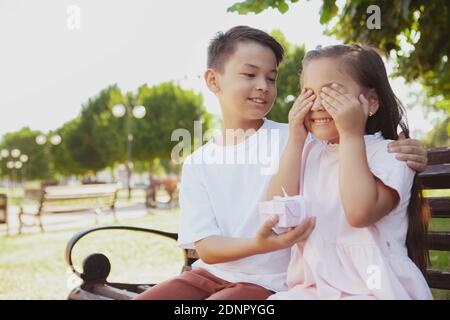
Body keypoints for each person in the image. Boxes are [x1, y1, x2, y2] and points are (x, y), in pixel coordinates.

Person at [133, 27, 428, 300]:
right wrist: (263, 243)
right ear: (213, 80)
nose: (263, 86)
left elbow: (356, 145)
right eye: (249, 75)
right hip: (212, 273)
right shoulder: (200, 162)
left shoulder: (306, 138)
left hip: (274, 282)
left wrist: (412, 151)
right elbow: (207, 249)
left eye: (271, 78)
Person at [267, 44, 432, 300]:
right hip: (317, 289)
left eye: (332, 93)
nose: (318, 104)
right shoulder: (309, 153)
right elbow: (275, 216)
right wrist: (296, 140)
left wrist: (351, 133)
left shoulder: (392, 155)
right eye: (309, 94)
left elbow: (359, 213)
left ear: (372, 102)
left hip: (375, 289)